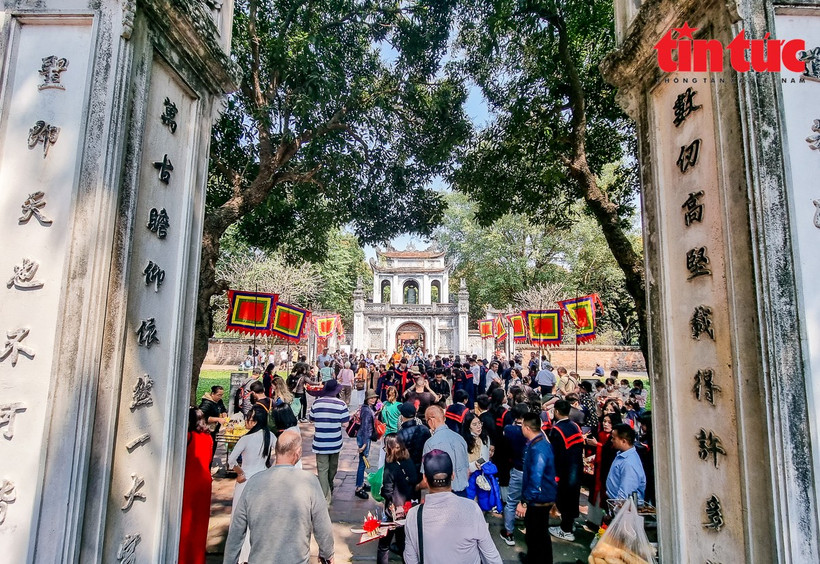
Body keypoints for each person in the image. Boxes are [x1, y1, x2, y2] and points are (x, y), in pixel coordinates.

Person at [223, 429, 334, 564]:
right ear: (298, 452)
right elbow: (322, 525)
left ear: (276, 451)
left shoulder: (254, 482)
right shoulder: (309, 481)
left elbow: (236, 530)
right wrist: (327, 554)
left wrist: (229, 560)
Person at [403, 450, 503, 564]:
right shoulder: (472, 509)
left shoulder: (414, 516)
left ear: (425, 479)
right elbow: (491, 556)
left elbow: (411, 559)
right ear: (453, 476)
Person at [227, 405, 276, 563]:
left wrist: (240, 473)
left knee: (239, 518)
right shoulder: (270, 436)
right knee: (259, 518)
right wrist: (271, 470)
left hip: (246, 480)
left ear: (254, 422)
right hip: (263, 479)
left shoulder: (246, 439)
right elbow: (281, 454)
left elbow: (231, 460)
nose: (246, 422)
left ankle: (242, 555)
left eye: (248, 419)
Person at [515, 412, 557, 564]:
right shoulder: (540, 443)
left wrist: (524, 502)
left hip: (539, 499)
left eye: (522, 425)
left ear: (527, 428)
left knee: (536, 535)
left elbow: (535, 479)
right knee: (538, 534)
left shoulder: (538, 449)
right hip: (543, 496)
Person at [377, 433, 421, 564]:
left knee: (384, 545)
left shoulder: (391, 467)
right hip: (408, 508)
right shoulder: (409, 461)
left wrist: (381, 492)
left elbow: (387, 491)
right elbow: (414, 481)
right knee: (403, 542)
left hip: (393, 511)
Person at [179, 408, 213, 564]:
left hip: (190, 482)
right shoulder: (208, 437)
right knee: (200, 524)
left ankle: (183, 558)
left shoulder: (188, 437)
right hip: (205, 483)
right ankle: (198, 559)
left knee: (186, 522)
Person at [307, 379, 350, 502]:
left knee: (322, 470)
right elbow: (345, 424)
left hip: (320, 442)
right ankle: (327, 493)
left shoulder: (316, 403)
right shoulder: (341, 405)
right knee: (333, 468)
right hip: (335, 442)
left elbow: (311, 419)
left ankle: (326, 493)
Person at [548, 400, 584, 542]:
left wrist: (555, 475)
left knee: (564, 498)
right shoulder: (575, 426)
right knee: (573, 497)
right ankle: (569, 524)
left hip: (565, 471)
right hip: (577, 467)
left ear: (556, 411)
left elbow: (556, 455)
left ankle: (566, 530)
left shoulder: (557, 430)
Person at [500, 403, 530, 547]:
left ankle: (509, 533)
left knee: (511, 502)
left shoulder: (509, 430)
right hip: (531, 471)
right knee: (531, 501)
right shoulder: (533, 430)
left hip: (516, 469)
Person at [422, 406, 470, 496]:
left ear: (431, 421)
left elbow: (426, 474)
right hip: (463, 491)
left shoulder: (430, 443)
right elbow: (467, 469)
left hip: (442, 492)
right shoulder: (460, 438)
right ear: (444, 418)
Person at [606, 423, 647, 502]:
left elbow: (625, 493)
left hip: (623, 506)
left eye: (614, 438)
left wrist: (617, 507)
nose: (611, 440)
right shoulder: (622, 454)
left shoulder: (629, 463)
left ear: (623, 441)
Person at [397, 402, 431, 479]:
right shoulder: (424, 429)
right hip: (423, 468)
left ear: (402, 416)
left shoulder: (400, 435)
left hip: (407, 471)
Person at [355, 390, 379, 499]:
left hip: (366, 437)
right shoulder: (366, 410)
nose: (373, 399)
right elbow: (364, 428)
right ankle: (358, 487)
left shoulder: (368, 408)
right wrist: (364, 444)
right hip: (364, 438)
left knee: (363, 462)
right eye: (371, 398)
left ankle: (361, 483)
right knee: (362, 463)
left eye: (374, 397)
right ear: (367, 399)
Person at [198, 385, 228, 463]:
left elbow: (223, 409)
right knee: (207, 452)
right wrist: (217, 419)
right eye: (218, 395)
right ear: (212, 394)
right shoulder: (207, 404)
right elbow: (202, 417)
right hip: (206, 431)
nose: (220, 397)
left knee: (212, 450)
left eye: (222, 395)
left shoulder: (219, 401)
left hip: (214, 429)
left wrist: (224, 413)